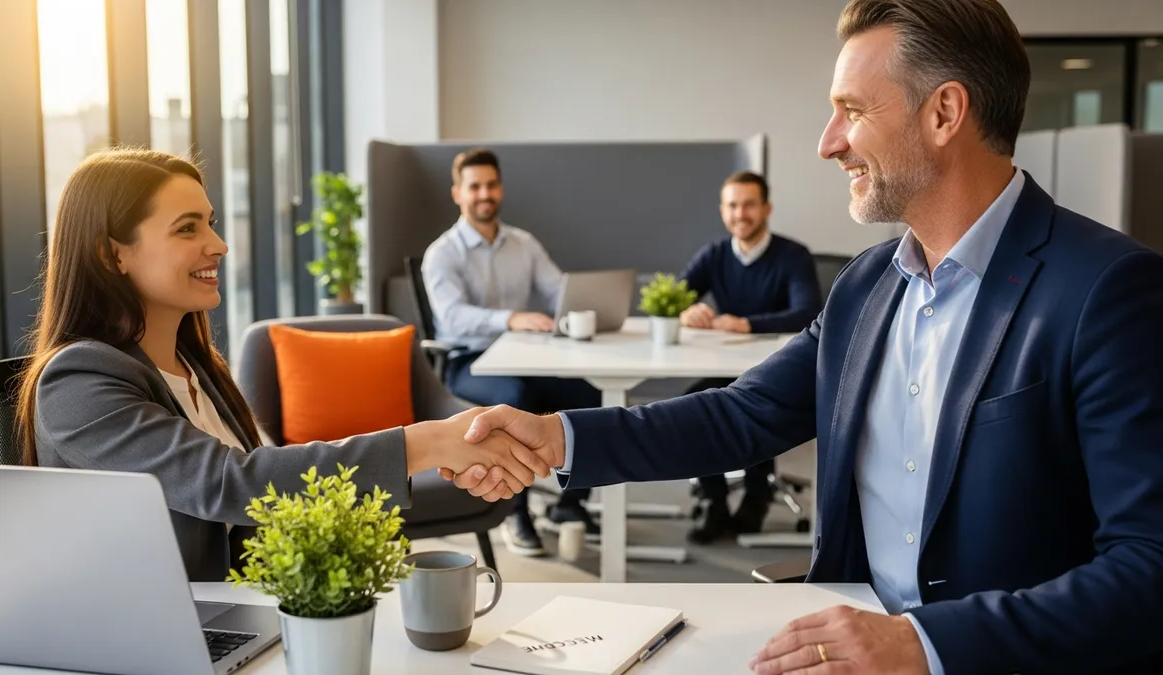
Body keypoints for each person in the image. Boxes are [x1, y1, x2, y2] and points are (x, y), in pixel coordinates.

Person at [447, 0, 1163, 673]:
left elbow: (1148, 565)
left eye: (851, 110)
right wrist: (557, 439)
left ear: (945, 111)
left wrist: (922, 642)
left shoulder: (1108, 289)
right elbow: (743, 413)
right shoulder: (866, 284)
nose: (828, 143)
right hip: (845, 642)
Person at [14, 148, 551, 583]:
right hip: (162, 635)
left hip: (245, 611)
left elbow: (256, 497)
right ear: (114, 255)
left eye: (211, 223)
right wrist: (429, 443)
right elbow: (233, 483)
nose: (218, 245)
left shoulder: (192, 367)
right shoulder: (78, 382)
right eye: (187, 229)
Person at [421, 148, 600, 558]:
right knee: (514, 402)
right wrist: (510, 319)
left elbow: (559, 291)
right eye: (475, 186)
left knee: (590, 398)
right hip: (469, 362)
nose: (485, 193)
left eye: (491, 184)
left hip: (527, 358)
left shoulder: (524, 243)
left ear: (500, 189)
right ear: (458, 193)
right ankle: (513, 512)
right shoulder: (443, 253)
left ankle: (569, 507)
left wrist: (582, 309)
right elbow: (452, 316)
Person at [678, 170, 820, 544]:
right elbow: (674, 296)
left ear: (766, 208)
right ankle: (714, 500)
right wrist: (683, 311)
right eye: (732, 205)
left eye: (749, 205)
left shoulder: (793, 255)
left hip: (782, 372)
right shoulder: (715, 254)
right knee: (694, 405)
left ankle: (757, 496)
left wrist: (746, 323)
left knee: (758, 401)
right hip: (726, 367)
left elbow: (808, 312)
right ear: (723, 210)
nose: (740, 214)